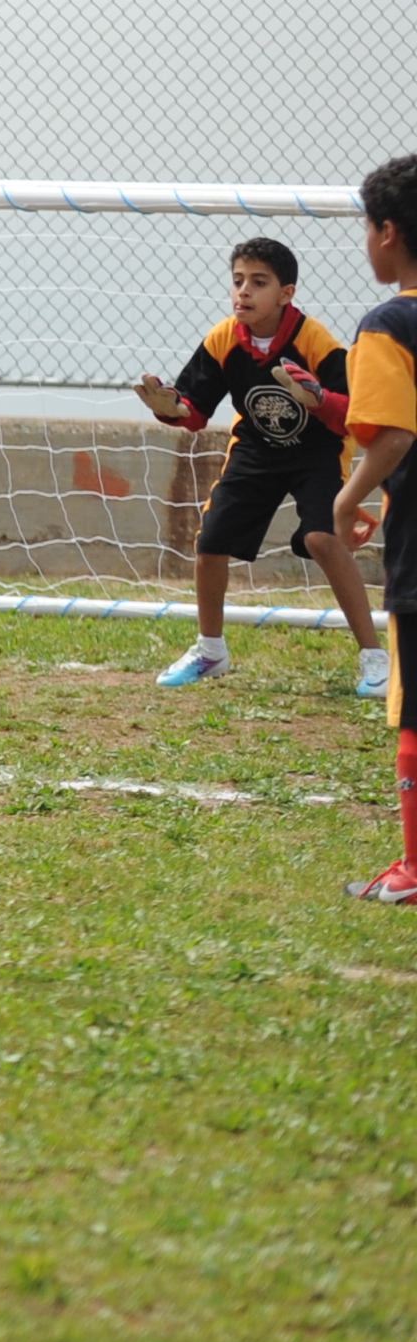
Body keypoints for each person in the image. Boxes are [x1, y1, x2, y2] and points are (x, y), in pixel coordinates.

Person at [134, 237, 385, 695]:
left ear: (286, 294)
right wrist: (167, 405)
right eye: (237, 281)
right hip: (256, 448)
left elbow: (352, 411)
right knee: (211, 541)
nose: (243, 292)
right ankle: (211, 651)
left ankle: (376, 658)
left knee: (323, 538)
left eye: (258, 282)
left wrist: (319, 399)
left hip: (317, 452)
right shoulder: (223, 338)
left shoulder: (316, 342)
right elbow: (195, 411)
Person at [329, 155, 417, 906]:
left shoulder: (389, 325)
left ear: (387, 232)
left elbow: (391, 436)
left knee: (414, 708)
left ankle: (414, 871)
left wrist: (347, 498)